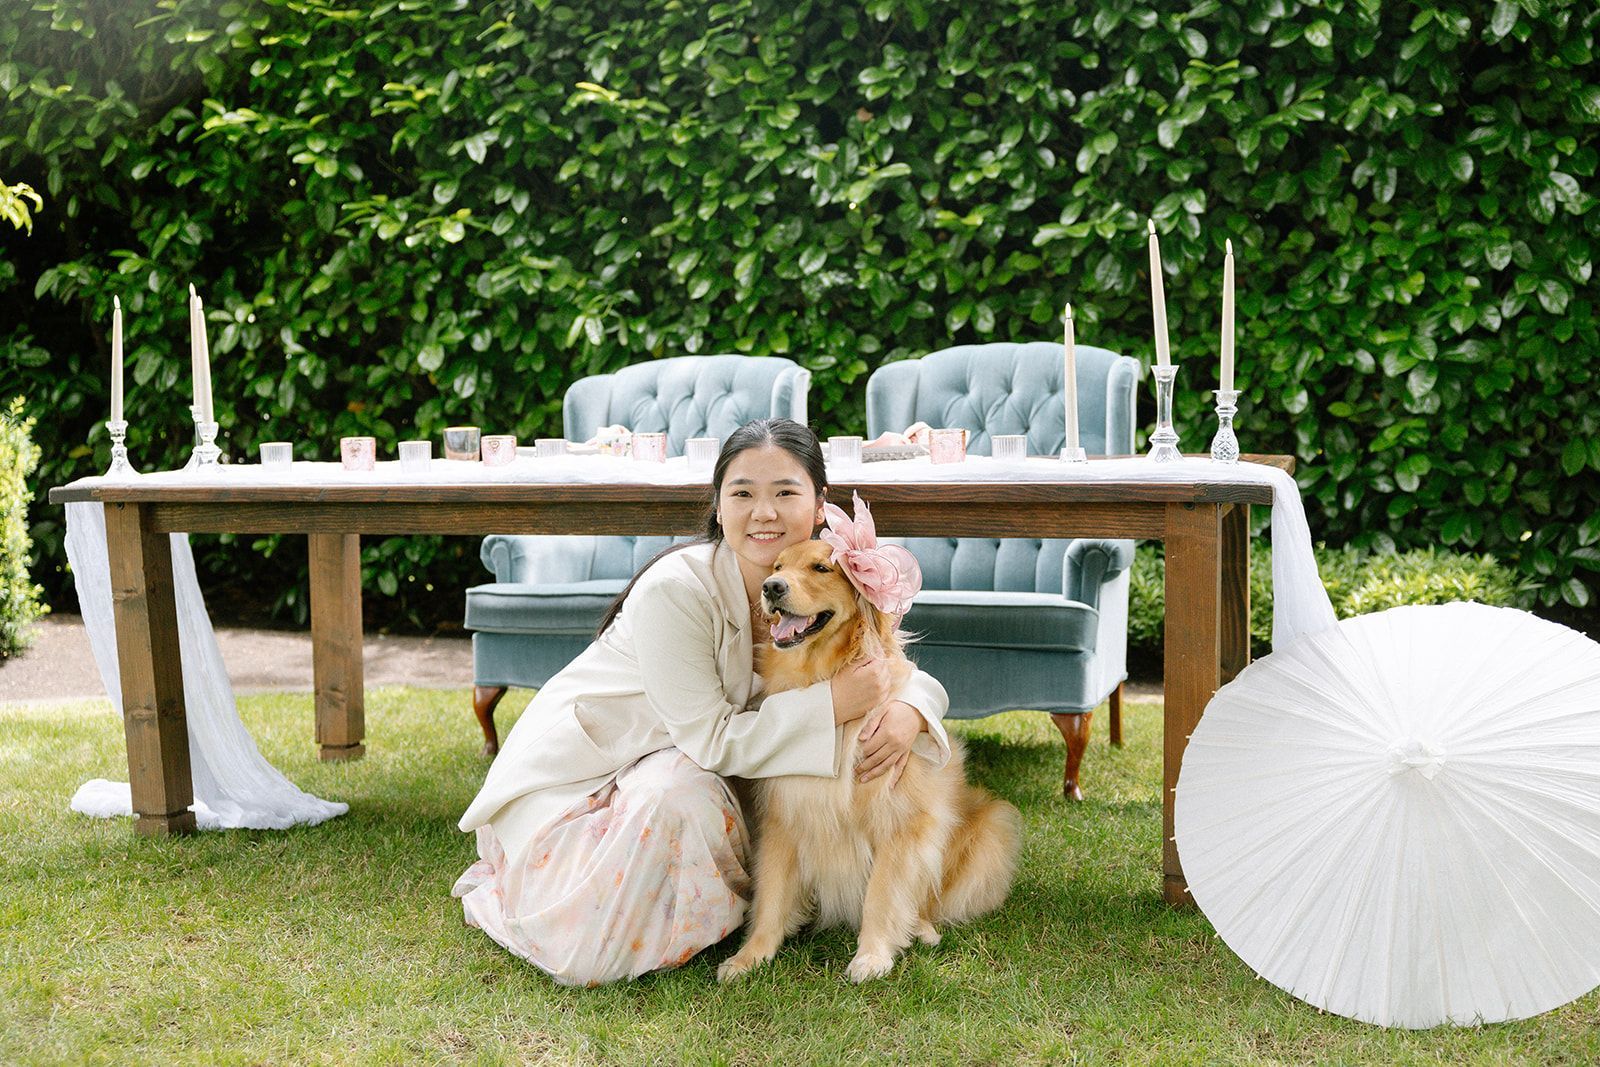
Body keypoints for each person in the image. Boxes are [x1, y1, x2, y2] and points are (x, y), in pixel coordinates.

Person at [454, 418, 951, 985]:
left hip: (677, 763)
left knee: (705, 791)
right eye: (742, 494)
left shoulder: (829, 579)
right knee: (683, 798)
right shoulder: (676, 590)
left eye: (785, 493)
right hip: (590, 777)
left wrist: (912, 709)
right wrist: (835, 704)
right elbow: (711, 741)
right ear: (717, 507)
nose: (763, 513)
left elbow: (888, 657)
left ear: (820, 505)